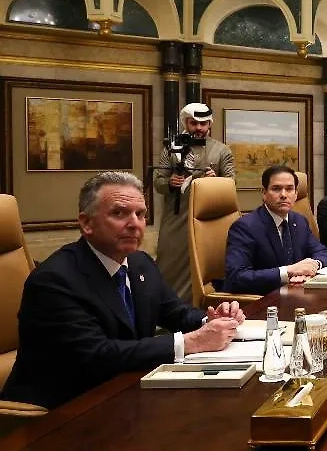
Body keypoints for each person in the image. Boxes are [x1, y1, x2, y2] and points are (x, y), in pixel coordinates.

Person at [1, 172, 244, 409]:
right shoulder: (54, 280)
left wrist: (210, 319)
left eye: (140, 214)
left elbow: (173, 311)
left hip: (121, 392)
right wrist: (189, 342)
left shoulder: (140, 262)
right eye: (119, 213)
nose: (134, 224)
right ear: (86, 223)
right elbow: (97, 355)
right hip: (61, 411)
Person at [152, 102, 235, 302]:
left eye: (203, 123)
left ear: (209, 125)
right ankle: (168, 307)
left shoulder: (222, 150)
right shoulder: (171, 149)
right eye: (194, 123)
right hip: (177, 216)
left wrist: (216, 180)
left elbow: (231, 184)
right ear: (186, 123)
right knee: (169, 261)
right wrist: (170, 182)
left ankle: (202, 306)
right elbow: (158, 181)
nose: (198, 128)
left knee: (206, 263)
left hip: (209, 220)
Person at [224, 165, 327, 295]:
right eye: (276, 189)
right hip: (264, 298)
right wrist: (288, 271)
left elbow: (324, 253)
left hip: (296, 293)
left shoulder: (299, 221)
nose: (283, 195)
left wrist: (312, 266)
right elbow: (237, 277)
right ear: (264, 193)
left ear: (296, 194)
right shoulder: (245, 227)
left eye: (289, 189)